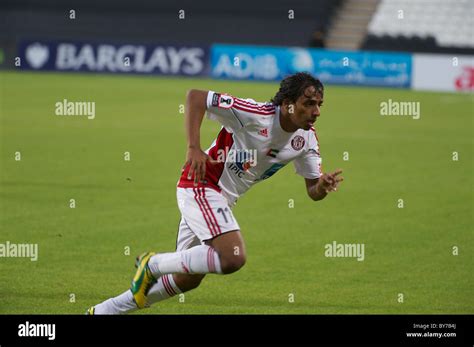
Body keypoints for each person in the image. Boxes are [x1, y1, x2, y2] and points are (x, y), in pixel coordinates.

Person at [87, 72, 343, 314]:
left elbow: (313, 190)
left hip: (221, 200)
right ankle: (151, 264)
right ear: (287, 103)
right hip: (201, 185)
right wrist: (193, 148)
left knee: (187, 279)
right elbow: (196, 96)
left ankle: (103, 310)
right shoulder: (255, 114)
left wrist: (322, 185)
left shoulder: (306, 140)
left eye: (320, 104)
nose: (316, 111)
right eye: (308, 103)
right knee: (233, 257)